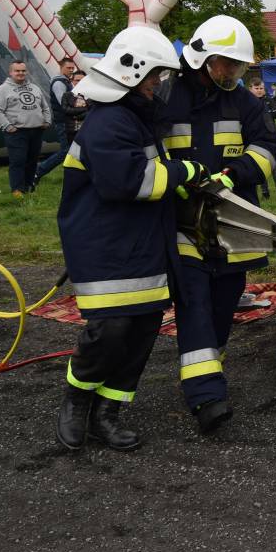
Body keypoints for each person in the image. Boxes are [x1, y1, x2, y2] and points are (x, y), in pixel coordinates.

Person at [54, 25, 203, 451]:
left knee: (141, 331)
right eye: (154, 75)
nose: (158, 83)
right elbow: (130, 181)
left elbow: (147, 172)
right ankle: (77, 402)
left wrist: (176, 187)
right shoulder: (109, 122)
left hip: (141, 244)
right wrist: (185, 172)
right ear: (131, 72)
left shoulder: (133, 118)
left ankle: (108, 413)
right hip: (107, 246)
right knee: (111, 330)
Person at [160, 15, 276, 434]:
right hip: (182, 219)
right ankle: (206, 395)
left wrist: (235, 174)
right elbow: (147, 148)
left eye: (238, 65)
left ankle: (207, 362)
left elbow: (268, 146)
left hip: (231, 216)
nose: (234, 72)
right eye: (228, 64)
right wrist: (173, 179)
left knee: (225, 299)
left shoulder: (245, 102)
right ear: (203, 58)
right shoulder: (166, 97)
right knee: (193, 298)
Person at [0, 60, 51, 197]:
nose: (20, 73)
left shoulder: (35, 88)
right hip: (16, 132)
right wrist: (7, 126)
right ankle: (17, 190)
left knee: (32, 161)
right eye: (17, 71)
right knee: (18, 161)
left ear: (27, 72)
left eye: (23, 70)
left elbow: (45, 107)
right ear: (10, 72)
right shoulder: (2, 90)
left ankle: (29, 187)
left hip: (36, 130)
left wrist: (47, 121)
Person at [33, 56, 77, 184]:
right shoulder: (59, 83)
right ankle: (38, 170)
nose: (71, 70)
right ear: (61, 67)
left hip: (68, 121)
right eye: (68, 68)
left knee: (72, 150)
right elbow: (64, 104)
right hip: (63, 122)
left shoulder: (66, 81)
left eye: (72, 68)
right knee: (66, 151)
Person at [248, 78, 276, 201]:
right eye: (256, 88)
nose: (259, 90)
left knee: (275, 166)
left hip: (270, 137)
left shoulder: (267, 100)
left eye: (261, 88)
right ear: (250, 89)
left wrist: (269, 102)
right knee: (260, 166)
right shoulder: (247, 102)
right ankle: (265, 192)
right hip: (255, 138)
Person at [61, 69, 89, 144]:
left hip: (88, 130)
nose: (80, 82)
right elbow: (65, 110)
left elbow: (92, 110)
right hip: (72, 131)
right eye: (77, 80)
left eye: (82, 80)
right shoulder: (67, 95)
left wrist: (76, 116)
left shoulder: (91, 95)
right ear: (72, 81)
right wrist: (85, 109)